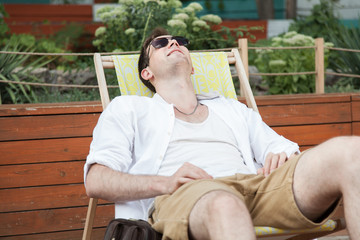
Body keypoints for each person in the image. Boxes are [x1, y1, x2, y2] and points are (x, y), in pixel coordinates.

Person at [84, 28, 360, 239]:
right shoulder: (130, 108)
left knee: (351, 152)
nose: (174, 43)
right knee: (224, 203)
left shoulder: (231, 108)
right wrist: (165, 183)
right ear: (147, 73)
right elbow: (96, 180)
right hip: (187, 196)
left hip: (257, 188)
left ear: (192, 67)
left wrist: (281, 154)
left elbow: (280, 146)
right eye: (160, 43)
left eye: (179, 41)